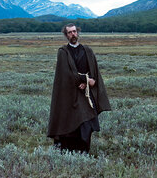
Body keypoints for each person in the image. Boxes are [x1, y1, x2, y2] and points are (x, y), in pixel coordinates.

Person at [47, 23, 111, 153]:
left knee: (87, 121)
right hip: (69, 93)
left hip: (85, 93)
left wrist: (88, 82)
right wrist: (84, 80)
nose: (73, 34)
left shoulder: (87, 50)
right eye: (69, 32)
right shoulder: (63, 52)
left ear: (78, 32)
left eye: (74, 31)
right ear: (66, 35)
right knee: (70, 120)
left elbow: (94, 70)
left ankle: (83, 151)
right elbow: (65, 74)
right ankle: (68, 151)